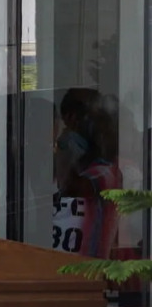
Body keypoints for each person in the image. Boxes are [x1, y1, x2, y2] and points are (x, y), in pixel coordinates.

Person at [52, 89, 121, 257]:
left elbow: (70, 187)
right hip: (50, 265)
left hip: (85, 273)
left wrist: (66, 149)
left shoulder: (106, 172)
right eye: (89, 116)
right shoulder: (51, 167)